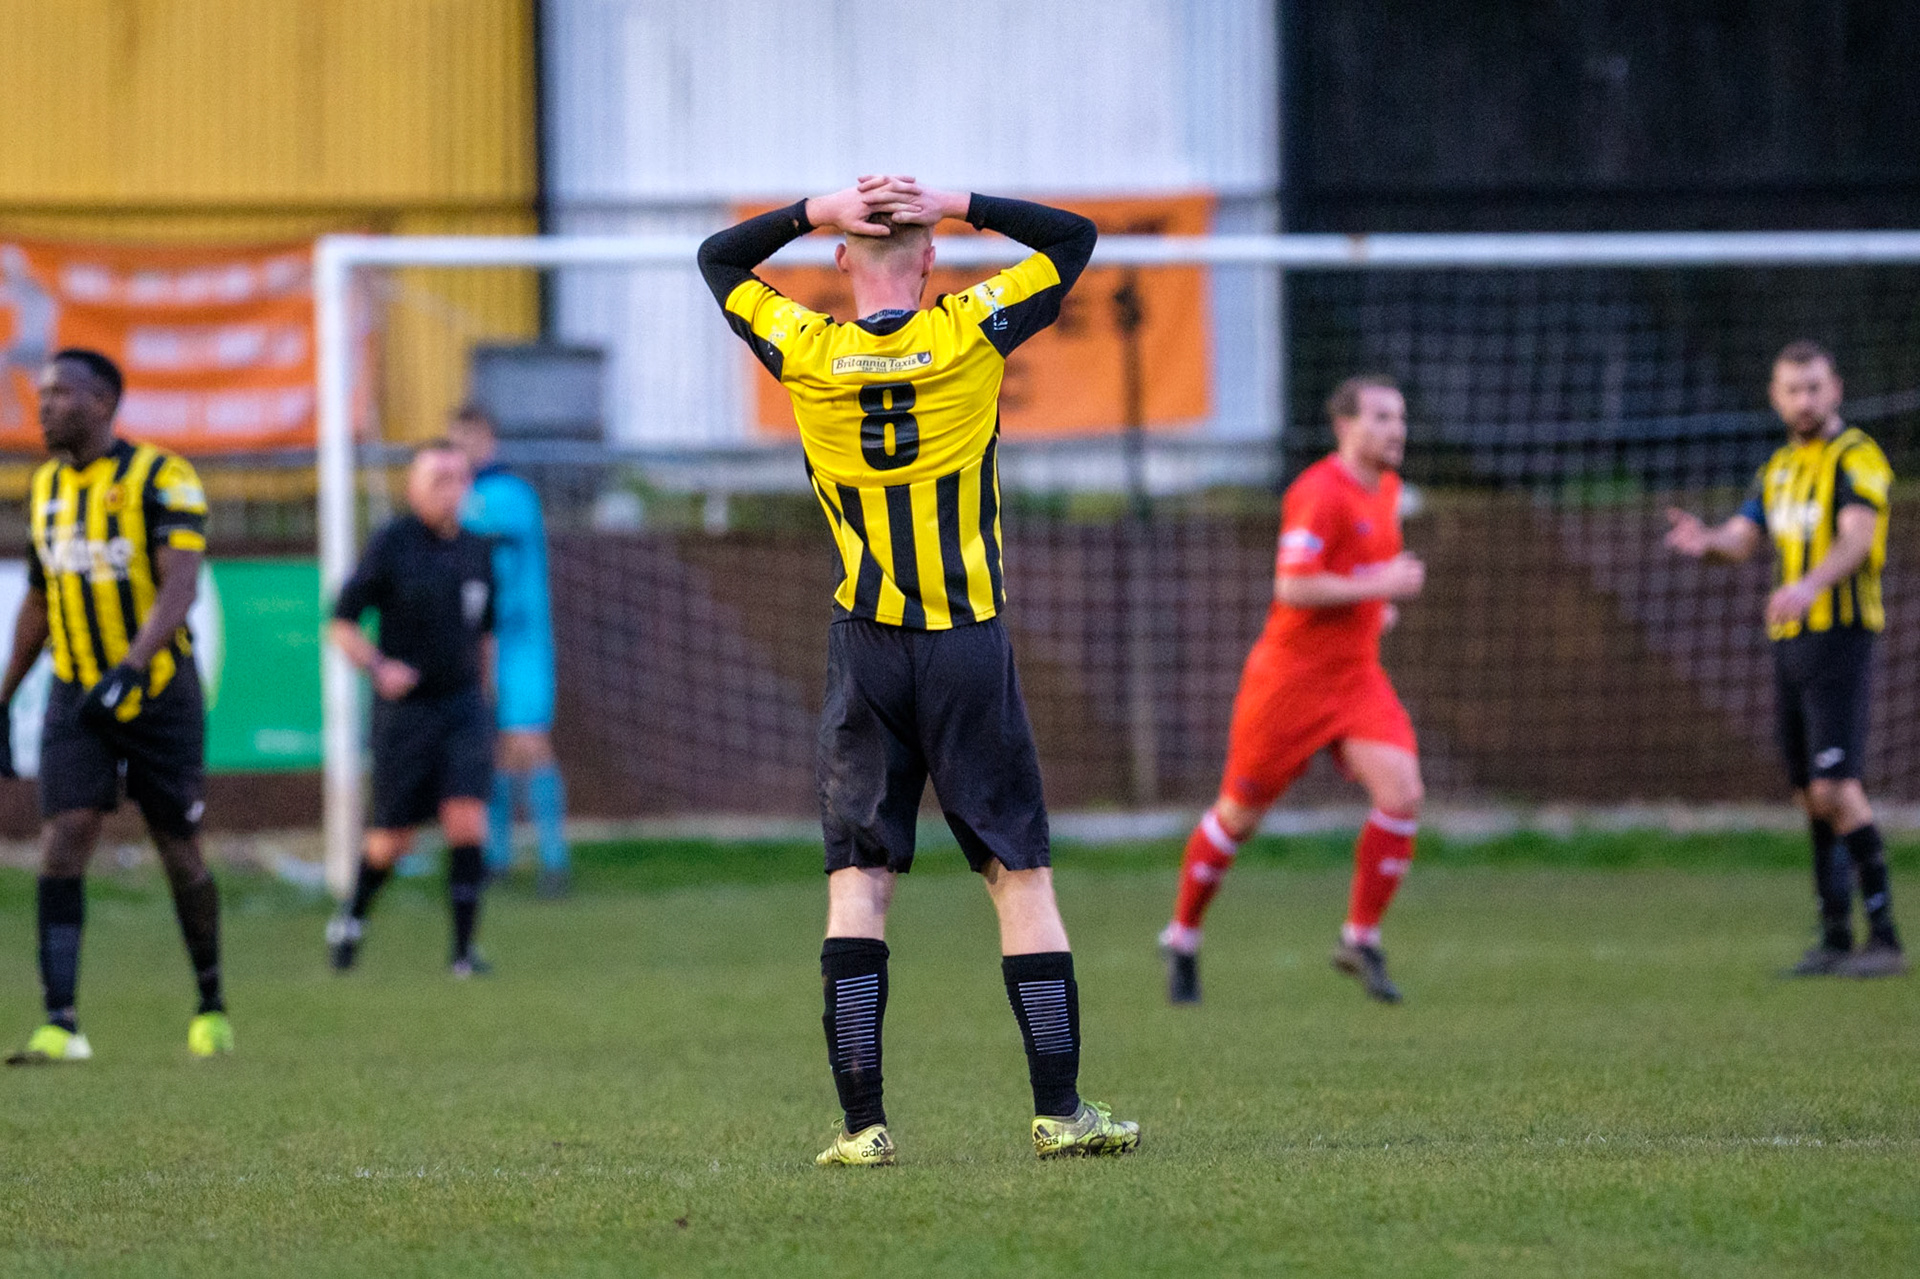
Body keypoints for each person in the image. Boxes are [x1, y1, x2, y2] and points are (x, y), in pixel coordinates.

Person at [698, 176, 1139, 1165]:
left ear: (842, 263)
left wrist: (812, 211)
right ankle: (1060, 1114)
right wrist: (965, 198)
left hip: (865, 648)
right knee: (1019, 878)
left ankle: (863, 1127)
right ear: (933, 259)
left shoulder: (805, 347)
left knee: (858, 883)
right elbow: (1074, 239)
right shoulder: (969, 331)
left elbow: (718, 261)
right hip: (966, 643)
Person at [1159, 376, 1426, 1006]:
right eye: (1382, 418)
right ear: (1346, 427)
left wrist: (1375, 606)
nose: (1397, 430)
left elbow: (1356, 576)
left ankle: (1360, 938)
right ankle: (1183, 935)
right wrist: (1380, 583)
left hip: (1356, 676)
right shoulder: (1317, 493)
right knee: (1237, 819)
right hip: (1290, 683)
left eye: (1401, 418)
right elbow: (1295, 587)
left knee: (1403, 793)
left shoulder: (1387, 490)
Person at [0, 349, 231, 1063]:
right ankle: (60, 1022)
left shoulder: (164, 478)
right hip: (76, 689)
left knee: (178, 848)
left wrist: (132, 668)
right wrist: (3, 697)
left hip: (158, 689)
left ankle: (210, 1003)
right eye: (41, 394)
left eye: (60, 393)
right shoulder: (44, 489)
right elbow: (40, 598)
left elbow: (180, 585)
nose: (44, 406)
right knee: (65, 838)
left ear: (102, 403)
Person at [1666, 340, 1905, 978]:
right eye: (1792, 390)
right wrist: (1705, 542)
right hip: (1791, 644)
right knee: (1808, 793)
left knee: (1837, 787)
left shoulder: (1858, 457)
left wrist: (1811, 585)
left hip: (1842, 637)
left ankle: (1883, 939)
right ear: (1776, 398)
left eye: (1815, 387)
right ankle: (1833, 936)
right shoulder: (1776, 469)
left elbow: (1859, 537)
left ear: (1837, 390)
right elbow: (1742, 540)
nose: (1805, 399)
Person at [326, 442, 497, 977]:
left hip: (464, 706)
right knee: (390, 841)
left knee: (467, 819)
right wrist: (379, 667)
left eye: (457, 478)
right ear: (414, 488)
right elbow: (341, 623)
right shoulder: (392, 544)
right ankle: (352, 916)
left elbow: (485, 632)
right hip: (408, 715)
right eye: (436, 479)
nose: (448, 489)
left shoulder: (477, 549)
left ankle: (463, 953)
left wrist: (487, 702)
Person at [448, 405, 569, 897]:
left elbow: (493, 558)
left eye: (468, 440)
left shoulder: (508, 495)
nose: (462, 451)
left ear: (488, 439)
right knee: (493, 748)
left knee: (529, 742)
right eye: (454, 442)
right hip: (480, 640)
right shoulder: (463, 494)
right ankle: (495, 858)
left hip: (521, 641)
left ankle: (554, 861)